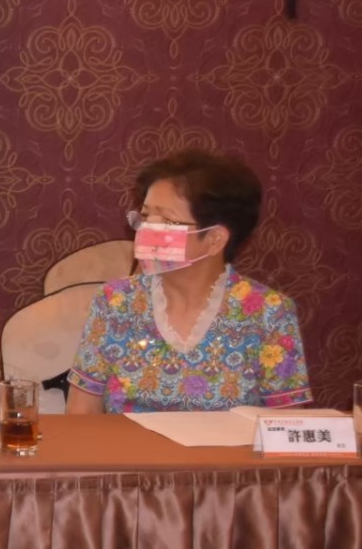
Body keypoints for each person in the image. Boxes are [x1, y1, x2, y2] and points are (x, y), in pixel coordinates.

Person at [69, 149, 308, 413]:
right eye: (146, 216)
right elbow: (81, 414)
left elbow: (285, 427)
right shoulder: (114, 302)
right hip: (127, 442)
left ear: (215, 239)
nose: (147, 230)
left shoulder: (269, 313)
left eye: (168, 220)